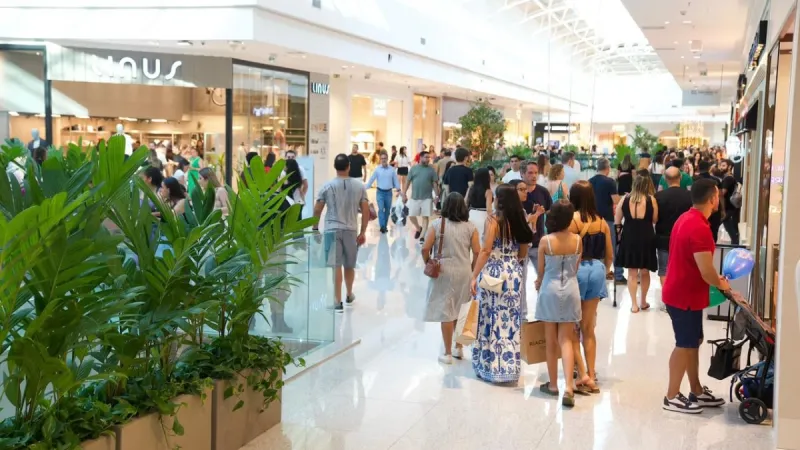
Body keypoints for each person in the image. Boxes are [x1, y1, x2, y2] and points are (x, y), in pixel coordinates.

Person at [662, 178, 729, 414]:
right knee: (684, 344)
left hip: (683, 291)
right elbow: (706, 270)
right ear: (712, 198)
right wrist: (723, 284)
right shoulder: (699, 227)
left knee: (693, 342)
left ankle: (696, 389)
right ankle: (671, 396)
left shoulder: (686, 218)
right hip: (684, 296)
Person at [470, 184, 534, 383]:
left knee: (490, 317)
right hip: (513, 272)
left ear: (499, 199)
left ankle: (490, 365)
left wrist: (474, 275)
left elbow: (486, 250)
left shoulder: (493, 220)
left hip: (494, 272)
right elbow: (523, 251)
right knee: (510, 319)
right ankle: (508, 367)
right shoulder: (520, 220)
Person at [422, 192, 480, 364]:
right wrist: (472, 270)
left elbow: (425, 248)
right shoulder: (471, 227)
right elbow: (477, 251)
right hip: (464, 270)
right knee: (462, 309)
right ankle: (459, 347)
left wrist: (428, 262)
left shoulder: (437, 224)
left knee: (446, 311)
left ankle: (447, 353)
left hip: (443, 271)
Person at [535, 199, 582, 407]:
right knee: (567, 339)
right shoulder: (578, 240)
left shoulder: (546, 241)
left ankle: (553, 385)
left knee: (550, 340)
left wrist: (538, 283)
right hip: (571, 289)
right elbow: (576, 268)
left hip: (549, 289)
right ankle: (569, 387)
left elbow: (541, 271)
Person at [568, 181, 613, 394]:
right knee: (589, 327)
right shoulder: (602, 222)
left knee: (572, 326)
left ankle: (581, 372)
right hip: (597, 269)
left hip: (578, 270)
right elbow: (610, 255)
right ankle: (592, 373)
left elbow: (570, 251)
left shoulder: (573, 220)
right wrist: (603, 270)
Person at [313, 154, 370, 312]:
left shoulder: (327, 186)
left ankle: (337, 301)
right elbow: (365, 210)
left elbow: (317, 209)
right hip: (351, 229)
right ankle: (349, 294)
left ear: (334, 167)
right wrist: (363, 231)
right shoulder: (359, 186)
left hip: (332, 229)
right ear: (349, 166)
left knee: (335, 265)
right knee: (349, 264)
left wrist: (315, 228)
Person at [615, 172, 658, 313]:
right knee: (645, 272)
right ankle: (643, 301)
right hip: (646, 236)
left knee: (632, 272)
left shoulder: (625, 198)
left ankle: (634, 304)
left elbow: (617, 220)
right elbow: (655, 219)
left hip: (629, 235)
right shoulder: (651, 199)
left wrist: (619, 236)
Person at [654, 167, 693, 292]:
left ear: (665, 179)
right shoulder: (689, 196)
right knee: (683, 268)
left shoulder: (658, 196)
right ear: (680, 178)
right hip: (684, 238)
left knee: (664, 269)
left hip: (663, 237)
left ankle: (667, 298)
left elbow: (654, 218)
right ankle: (680, 296)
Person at [589, 158, 623, 283]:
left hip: (592, 218)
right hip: (607, 219)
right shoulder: (610, 182)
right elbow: (616, 201)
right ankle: (618, 275)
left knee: (594, 246)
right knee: (613, 246)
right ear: (607, 169)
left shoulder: (589, 182)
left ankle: (596, 273)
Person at [404, 150, 439, 242]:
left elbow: (435, 184)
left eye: (429, 157)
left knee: (425, 216)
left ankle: (422, 236)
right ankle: (418, 228)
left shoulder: (431, 170)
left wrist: (437, 196)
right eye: (426, 157)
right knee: (411, 215)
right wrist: (404, 193)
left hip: (427, 197)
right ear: (420, 157)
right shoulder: (414, 169)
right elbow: (407, 181)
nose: (428, 159)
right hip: (415, 197)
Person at [522, 161, 551, 272]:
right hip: (521, 243)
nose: (534, 176)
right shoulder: (516, 191)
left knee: (543, 275)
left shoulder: (543, 192)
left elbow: (549, 212)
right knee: (520, 279)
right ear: (522, 174)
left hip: (537, 242)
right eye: (530, 173)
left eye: (536, 173)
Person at [366, 152, 404, 233]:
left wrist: (399, 190)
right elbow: (372, 179)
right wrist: (365, 187)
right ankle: (382, 226)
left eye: (385, 158)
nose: (383, 160)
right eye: (382, 158)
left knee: (387, 210)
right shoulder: (377, 169)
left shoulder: (392, 170)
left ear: (387, 159)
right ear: (380, 160)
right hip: (380, 192)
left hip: (388, 193)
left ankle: (385, 225)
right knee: (380, 209)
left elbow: (395, 181)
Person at [693, 160, 722, 242]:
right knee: (713, 231)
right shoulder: (715, 181)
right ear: (709, 168)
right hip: (714, 211)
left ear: (698, 168)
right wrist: (722, 209)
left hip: (699, 209)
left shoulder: (695, 180)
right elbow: (720, 195)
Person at [466, 168, 493, 242]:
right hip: (483, 216)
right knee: (481, 240)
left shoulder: (471, 188)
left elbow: (465, 202)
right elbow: (489, 209)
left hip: (471, 214)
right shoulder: (488, 191)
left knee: (471, 240)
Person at [719, 158, 741, 245]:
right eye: (721, 165)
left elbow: (722, 192)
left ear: (729, 167)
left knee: (730, 229)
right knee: (730, 229)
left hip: (728, 208)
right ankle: (735, 245)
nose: (721, 167)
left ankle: (735, 245)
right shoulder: (728, 178)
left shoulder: (728, 179)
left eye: (723, 166)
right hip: (730, 207)